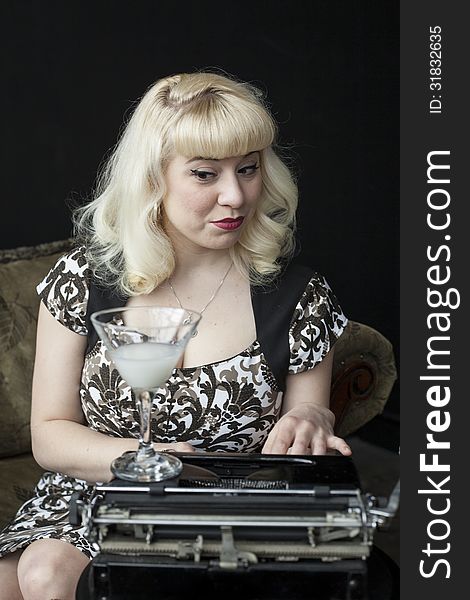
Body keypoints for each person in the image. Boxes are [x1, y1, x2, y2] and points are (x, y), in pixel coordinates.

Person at [0, 71, 351, 599]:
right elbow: (50, 434)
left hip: (225, 507)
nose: (235, 195)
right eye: (206, 174)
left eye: (249, 168)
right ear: (152, 177)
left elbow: (309, 418)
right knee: (21, 577)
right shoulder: (85, 278)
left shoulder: (297, 295)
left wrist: (311, 416)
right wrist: (150, 459)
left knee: (45, 577)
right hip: (96, 489)